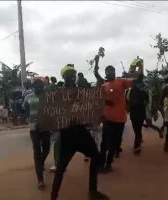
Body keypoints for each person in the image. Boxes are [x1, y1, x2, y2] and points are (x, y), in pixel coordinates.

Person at [51, 64, 109, 200]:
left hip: (81, 132)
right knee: (61, 167)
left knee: (96, 155)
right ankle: (53, 196)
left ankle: (93, 191)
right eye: (70, 74)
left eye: (74, 74)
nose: (73, 76)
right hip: (67, 134)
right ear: (64, 77)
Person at [99, 65, 134, 172]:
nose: (111, 73)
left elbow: (135, 80)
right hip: (108, 119)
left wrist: (136, 69)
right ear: (106, 73)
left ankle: (108, 164)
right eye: (108, 71)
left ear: (114, 72)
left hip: (120, 119)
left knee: (114, 143)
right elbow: (99, 101)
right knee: (104, 143)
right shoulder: (103, 86)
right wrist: (105, 102)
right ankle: (101, 164)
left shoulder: (121, 81)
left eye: (112, 71)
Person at [23, 79, 51, 190]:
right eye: (37, 86)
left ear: (43, 86)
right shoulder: (28, 97)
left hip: (46, 126)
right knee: (37, 152)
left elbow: (53, 110)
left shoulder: (48, 97)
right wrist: (27, 118)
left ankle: (41, 162)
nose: (39, 87)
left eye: (41, 86)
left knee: (47, 148)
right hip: (34, 128)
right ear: (33, 87)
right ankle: (40, 180)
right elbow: (25, 108)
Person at [127, 75, 149, 154]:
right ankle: (139, 140)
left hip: (140, 113)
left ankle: (137, 146)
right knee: (136, 129)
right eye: (131, 84)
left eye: (133, 84)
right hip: (133, 114)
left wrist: (143, 104)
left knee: (138, 129)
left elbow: (147, 100)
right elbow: (127, 101)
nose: (132, 85)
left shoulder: (142, 91)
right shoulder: (129, 92)